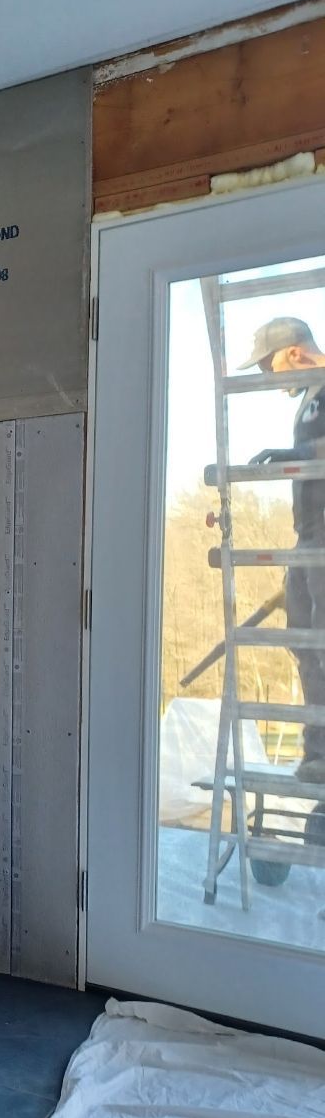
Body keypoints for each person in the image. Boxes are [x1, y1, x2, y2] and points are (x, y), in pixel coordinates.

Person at [241, 315, 325, 783]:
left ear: (295, 353)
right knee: (304, 643)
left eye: (271, 370)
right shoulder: (311, 401)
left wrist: (298, 457)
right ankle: (318, 755)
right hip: (309, 537)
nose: (273, 383)